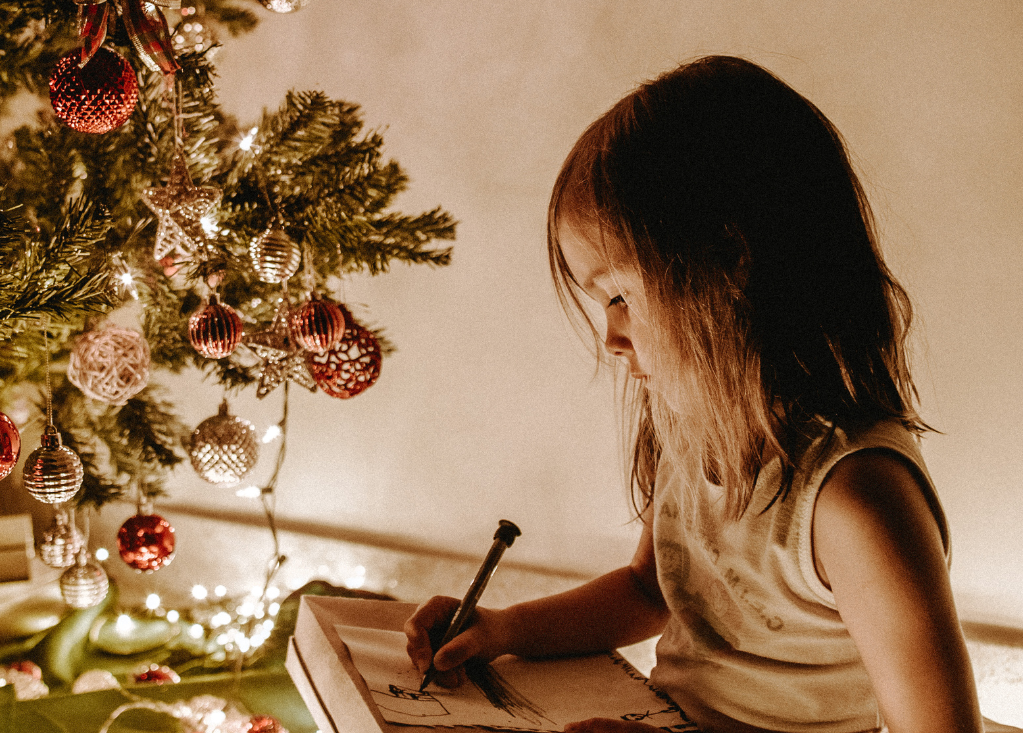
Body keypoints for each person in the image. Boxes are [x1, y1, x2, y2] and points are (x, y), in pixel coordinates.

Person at [405, 55, 1013, 733]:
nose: (610, 336)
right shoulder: (691, 429)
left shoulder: (855, 499)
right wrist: (505, 627)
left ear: (729, 264)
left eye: (619, 296)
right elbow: (647, 591)